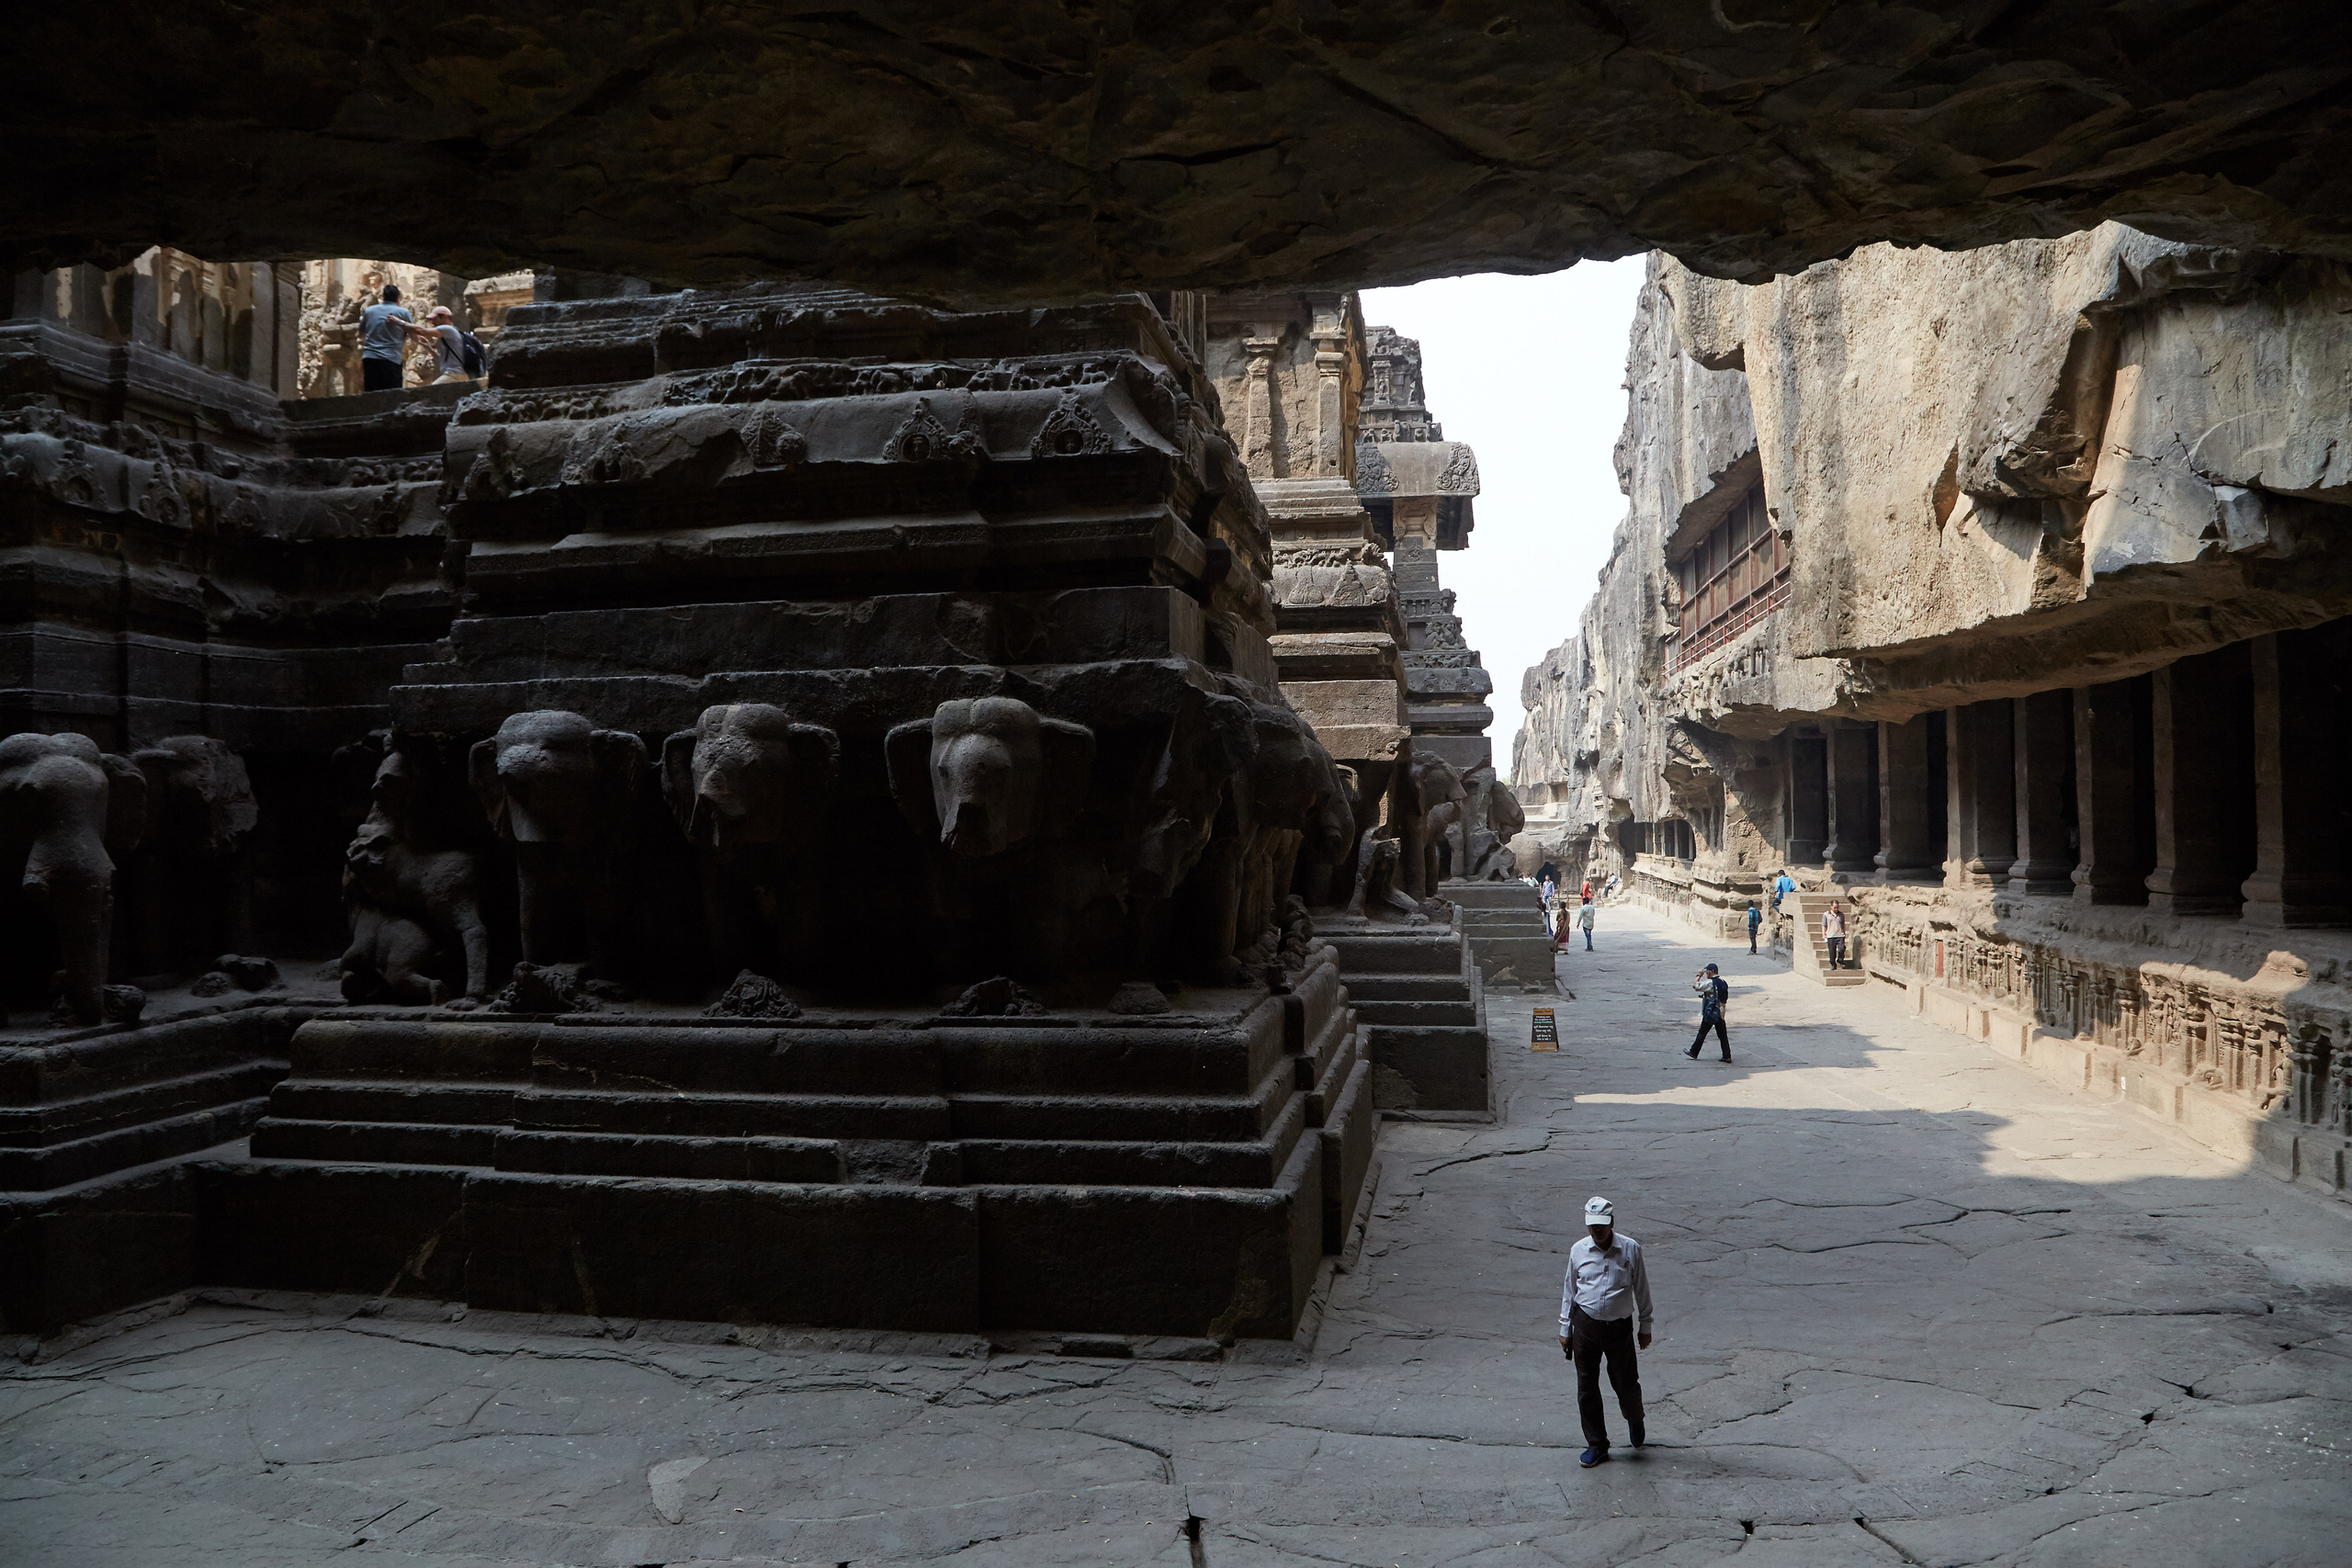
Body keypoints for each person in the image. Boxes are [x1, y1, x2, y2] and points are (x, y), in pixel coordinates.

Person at [1559, 1195, 1652, 1469]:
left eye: (1602, 1224)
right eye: (1592, 1226)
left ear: (1611, 1222)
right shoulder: (1578, 1250)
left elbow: (1642, 1289)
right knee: (1587, 1387)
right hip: (1585, 1325)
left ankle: (1635, 1418)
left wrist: (1645, 1326)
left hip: (1619, 1327)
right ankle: (1597, 1444)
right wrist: (1565, 1327)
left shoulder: (1630, 1249)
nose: (1597, 1231)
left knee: (1625, 1382)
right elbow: (1569, 1289)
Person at [358, 284, 414, 393]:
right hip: (391, 359)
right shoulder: (403, 312)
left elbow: (362, 333)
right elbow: (412, 333)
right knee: (392, 395)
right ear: (398, 299)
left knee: (371, 394)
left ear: (383, 297)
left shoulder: (369, 311)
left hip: (370, 358)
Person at [417, 306, 473, 384]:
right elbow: (441, 360)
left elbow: (421, 331)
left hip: (455, 374)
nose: (432, 322)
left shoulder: (448, 329)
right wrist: (429, 348)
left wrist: (401, 323)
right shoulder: (445, 337)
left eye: (435, 319)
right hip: (454, 374)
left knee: (428, 393)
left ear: (444, 317)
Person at [1686, 963, 1730, 1061]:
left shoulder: (1710, 982)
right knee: (1722, 1035)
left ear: (1710, 971)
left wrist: (1698, 975)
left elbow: (1696, 986)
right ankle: (1727, 1055)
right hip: (1721, 1010)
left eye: (1707, 972)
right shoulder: (1723, 981)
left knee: (1702, 1032)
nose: (1706, 974)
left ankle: (1694, 1052)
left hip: (1711, 1011)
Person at [1823, 901, 1848, 969]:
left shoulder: (1841, 914)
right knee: (1832, 951)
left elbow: (1843, 924)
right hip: (1831, 935)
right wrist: (1824, 934)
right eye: (1835, 907)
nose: (1836, 909)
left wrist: (1844, 932)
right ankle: (1833, 964)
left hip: (1840, 934)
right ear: (1831, 906)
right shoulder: (1826, 914)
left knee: (1841, 949)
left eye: (1837, 907)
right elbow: (1824, 925)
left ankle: (1840, 960)